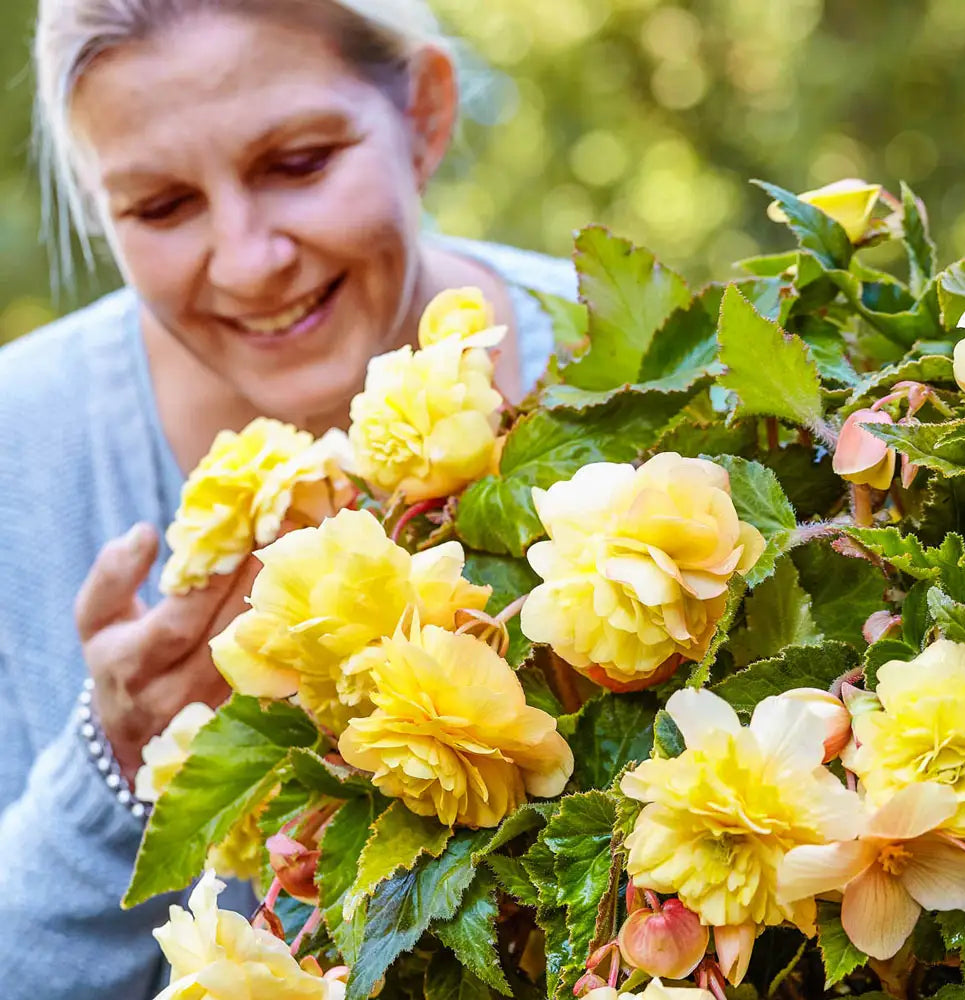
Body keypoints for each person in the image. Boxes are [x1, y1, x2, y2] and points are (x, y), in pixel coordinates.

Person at [0, 1, 575, 995]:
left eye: (299, 163)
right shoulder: (25, 453)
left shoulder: (631, 378)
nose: (251, 260)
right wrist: (114, 764)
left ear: (425, 117)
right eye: (163, 207)